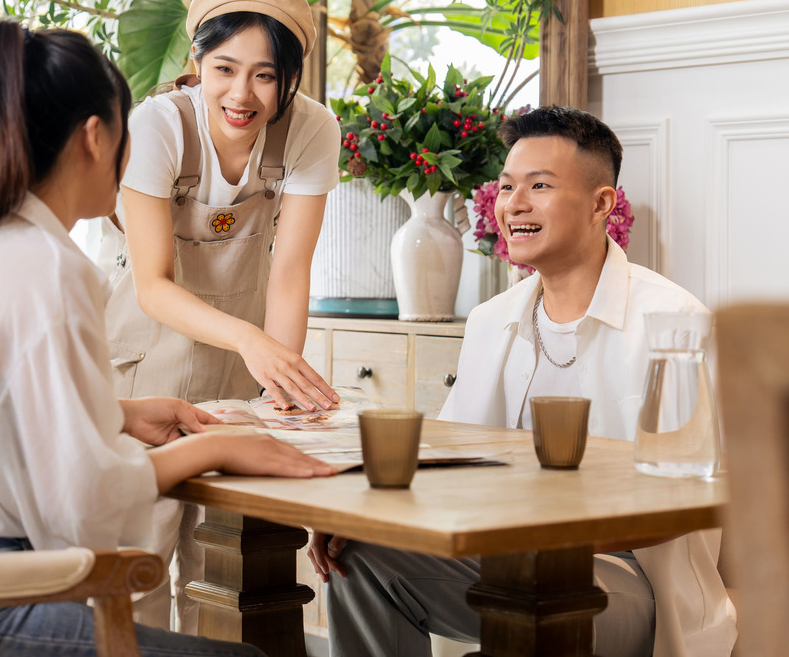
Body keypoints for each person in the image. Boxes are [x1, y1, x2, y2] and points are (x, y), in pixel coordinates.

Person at [0, 20, 337, 657]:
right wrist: (214, 451)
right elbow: (85, 511)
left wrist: (121, 414)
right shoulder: (50, 266)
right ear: (95, 136)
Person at [307, 106, 737, 657]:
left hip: (630, 578)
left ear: (601, 203)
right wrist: (360, 514)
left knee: (534, 587)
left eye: (540, 186)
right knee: (359, 556)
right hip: (508, 554)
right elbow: (448, 458)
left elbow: (685, 499)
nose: (515, 204)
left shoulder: (676, 323)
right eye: (507, 187)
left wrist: (535, 536)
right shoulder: (493, 319)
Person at [103, 0, 342, 631]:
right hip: (144, 364)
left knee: (228, 568)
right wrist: (250, 339)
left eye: (265, 76)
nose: (241, 94)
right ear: (197, 63)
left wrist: (280, 394)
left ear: (290, 78)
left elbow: (291, 271)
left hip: (239, 375)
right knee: (138, 562)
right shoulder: (158, 128)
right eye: (224, 69)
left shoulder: (312, 130)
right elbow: (152, 283)